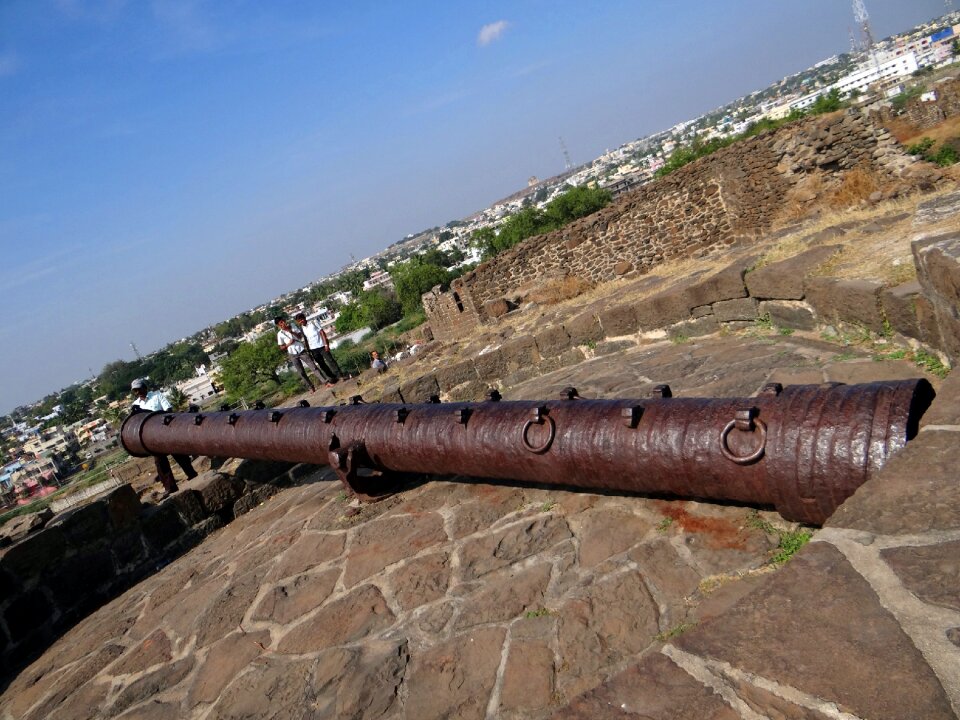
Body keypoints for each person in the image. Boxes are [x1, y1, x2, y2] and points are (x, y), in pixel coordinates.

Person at [130, 378, 198, 495]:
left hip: (165, 430)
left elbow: (168, 409)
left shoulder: (157, 396)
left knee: (179, 454)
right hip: (151, 437)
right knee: (160, 462)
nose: (138, 392)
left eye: (139, 389)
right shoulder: (136, 405)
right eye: (135, 391)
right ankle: (170, 487)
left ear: (145, 388)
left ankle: (191, 474)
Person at [275, 317, 327, 393]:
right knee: (301, 372)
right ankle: (311, 387)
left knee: (313, 367)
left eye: (283, 321)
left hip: (301, 350)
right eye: (280, 323)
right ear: (278, 325)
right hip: (292, 353)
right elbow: (281, 347)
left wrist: (291, 331)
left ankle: (325, 382)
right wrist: (288, 344)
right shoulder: (279, 334)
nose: (283, 323)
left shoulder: (292, 325)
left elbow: (300, 336)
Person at [294, 312, 342, 384]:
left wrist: (326, 344)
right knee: (322, 364)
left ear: (304, 318)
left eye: (301, 319)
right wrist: (308, 350)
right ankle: (332, 377)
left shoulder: (313, 322)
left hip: (322, 345)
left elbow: (322, 332)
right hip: (313, 349)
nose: (301, 321)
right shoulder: (302, 328)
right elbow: (306, 339)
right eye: (299, 321)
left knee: (330, 361)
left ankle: (340, 376)